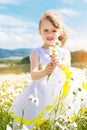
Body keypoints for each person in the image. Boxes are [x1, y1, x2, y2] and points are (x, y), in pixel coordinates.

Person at [10, 10, 87, 129]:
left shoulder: (64, 52)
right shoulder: (37, 53)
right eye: (46, 30)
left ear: (59, 32)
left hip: (59, 91)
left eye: (54, 31)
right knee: (39, 121)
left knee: (57, 118)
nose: (49, 34)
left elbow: (67, 66)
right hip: (41, 92)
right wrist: (45, 71)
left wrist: (58, 62)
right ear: (39, 31)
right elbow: (34, 75)